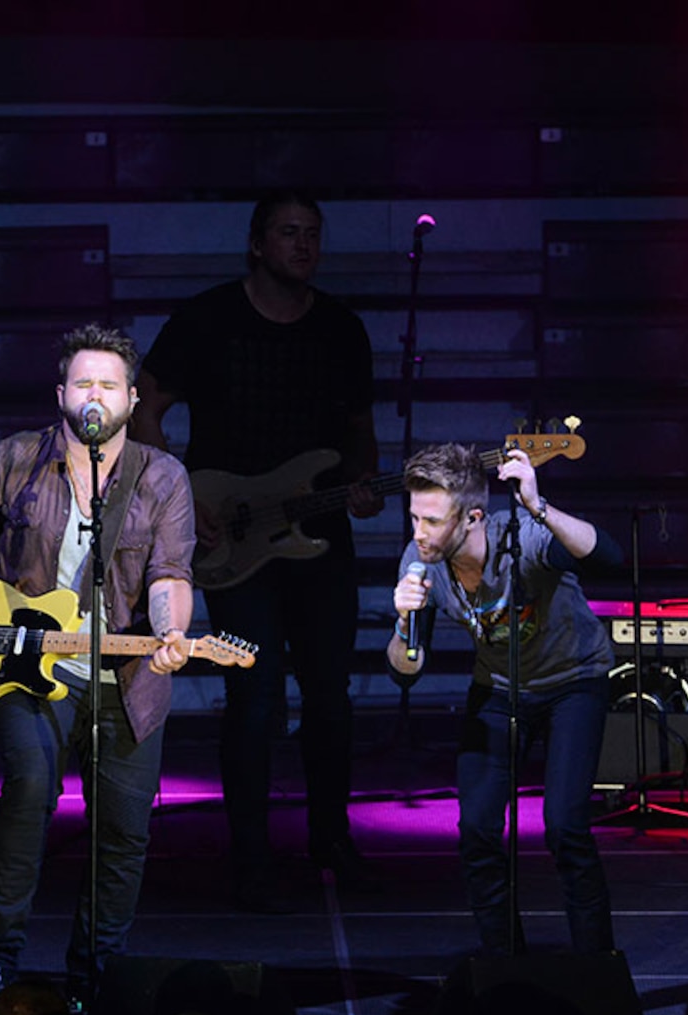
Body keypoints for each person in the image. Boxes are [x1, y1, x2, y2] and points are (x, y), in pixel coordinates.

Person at [0, 324, 195, 1015]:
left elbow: (171, 574)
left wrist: (171, 633)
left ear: (132, 398)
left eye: (108, 384)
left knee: (123, 832)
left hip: (126, 678)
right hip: (29, 663)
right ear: (61, 394)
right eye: (83, 383)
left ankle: (94, 975)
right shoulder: (20, 459)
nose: (95, 395)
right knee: (27, 787)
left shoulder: (162, 477)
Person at [130, 190, 378, 908]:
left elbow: (359, 425)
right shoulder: (208, 318)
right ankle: (251, 857)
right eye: (289, 233)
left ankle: (331, 838)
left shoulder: (340, 329)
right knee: (255, 693)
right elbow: (146, 400)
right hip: (230, 533)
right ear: (257, 243)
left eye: (312, 235)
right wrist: (182, 496)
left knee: (330, 696)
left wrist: (365, 480)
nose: (302, 246)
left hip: (319, 533)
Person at [386, 442, 622, 954]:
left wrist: (538, 505)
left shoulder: (522, 536)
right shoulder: (419, 559)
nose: (418, 533)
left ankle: (596, 965)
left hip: (572, 681)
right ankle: (504, 962)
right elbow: (407, 670)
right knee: (477, 829)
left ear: (472, 517)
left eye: (431, 521)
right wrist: (405, 620)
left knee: (564, 827)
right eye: (414, 518)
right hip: (499, 688)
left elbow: (609, 556)